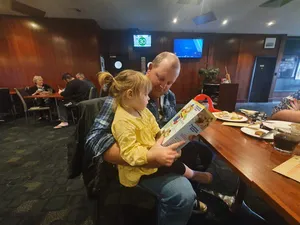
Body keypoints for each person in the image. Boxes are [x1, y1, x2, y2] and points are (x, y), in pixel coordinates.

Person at [85, 52, 214, 225]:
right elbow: (94, 138)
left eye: (170, 82)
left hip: (159, 148)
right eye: (160, 78)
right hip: (136, 161)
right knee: (183, 195)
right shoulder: (125, 96)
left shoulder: (169, 97)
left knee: (204, 153)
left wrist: (188, 128)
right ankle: (183, 200)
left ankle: (182, 200)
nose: (164, 87)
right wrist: (147, 157)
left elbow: (165, 127)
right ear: (150, 68)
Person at [100, 70, 213, 189]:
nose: (148, 98)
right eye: (145, 94)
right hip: (139, 168)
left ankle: (193, 184)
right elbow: (130, 153)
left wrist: (168, 137)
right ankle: (193, 175)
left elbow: (154, 126)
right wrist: (152, 154)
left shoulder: (142, 110)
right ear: (130, 94)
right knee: (175, 165)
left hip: (153, 150)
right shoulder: (122, 122)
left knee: (178, 153)